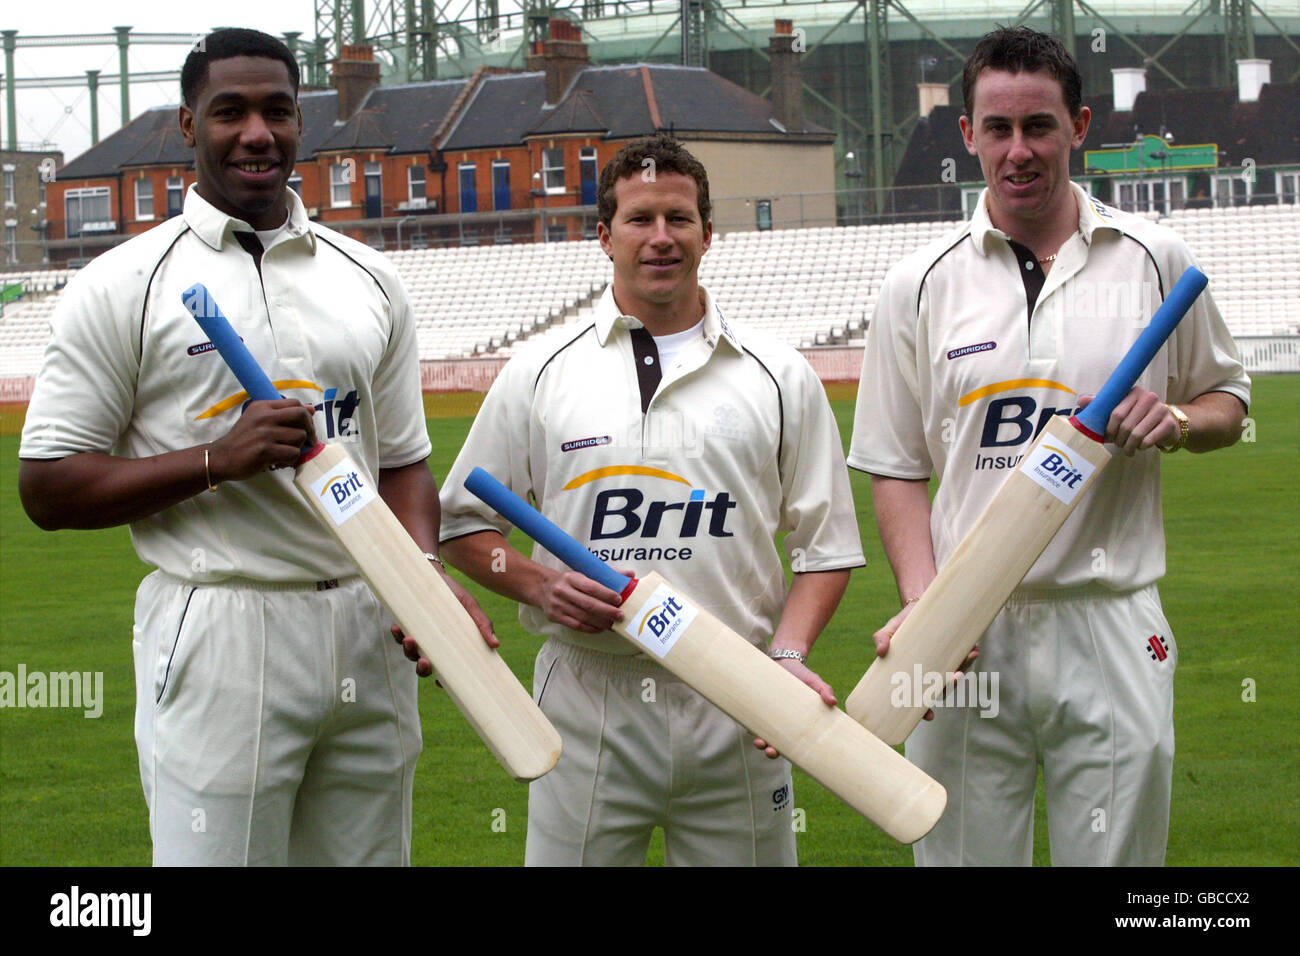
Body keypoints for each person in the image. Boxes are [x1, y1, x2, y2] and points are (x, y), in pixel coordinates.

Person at [18, 27, 491, 866]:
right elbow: (48, 488)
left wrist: (420, 578)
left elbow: (403, 462)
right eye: (229, 111)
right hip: (221, 622)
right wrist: (215, 461)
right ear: (188, 125)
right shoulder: (123, 285)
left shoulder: (369, 276)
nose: (257, 133)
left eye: (277, 110)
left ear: (301, 122)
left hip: (367, 617)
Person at [849, 26, 1250, 866]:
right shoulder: (917, 282)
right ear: (968, 135)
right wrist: (928, 604)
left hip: (1106, 617)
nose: (1019, 150)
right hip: (965, 633)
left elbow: (1229, 401)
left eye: (1039, 126)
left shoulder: (1154, 257)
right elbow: (894, 465)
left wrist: (1177, 423)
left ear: (1079, 125)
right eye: (998, 128)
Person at [429, 134, 863, 866]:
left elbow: (827, 550)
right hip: (586, 692)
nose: (660, 238)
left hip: (739, 690)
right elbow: (461, 526)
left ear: (707, 234)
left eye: (678, 218)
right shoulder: (541, 370)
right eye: (639, 220)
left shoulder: (779, 374)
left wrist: (786, 658)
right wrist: (540, 583)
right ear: (604, 236)